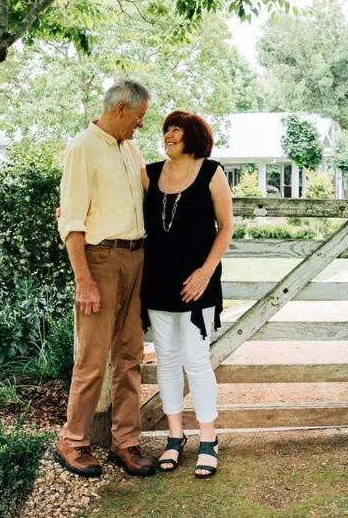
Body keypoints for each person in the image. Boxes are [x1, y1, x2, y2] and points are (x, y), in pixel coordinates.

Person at [54, 79, 156, 478]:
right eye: (139, 117)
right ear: (120, 110)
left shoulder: (131, 150)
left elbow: (156, 194)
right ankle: (73, 441)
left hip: (135, 258)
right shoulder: (83, 148)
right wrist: (84, 279)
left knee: (130, 356)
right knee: (93, 358)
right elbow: (73, 221)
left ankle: (125, 443)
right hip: (99, 260)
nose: (140, 125)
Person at [142, 110, 233, 478]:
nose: (168, 134)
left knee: (196, 360)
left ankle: (208, 440)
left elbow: (226, 227)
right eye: (165, 129)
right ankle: (175, 437)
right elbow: (113, 198)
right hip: (158, 281)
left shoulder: (211, 172)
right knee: (165, 359)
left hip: (200, 280)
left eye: (176, 129)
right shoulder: (148, 173)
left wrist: (205, 272)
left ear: (192, 134)